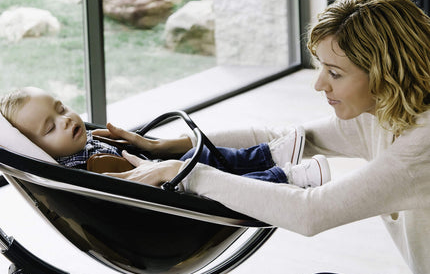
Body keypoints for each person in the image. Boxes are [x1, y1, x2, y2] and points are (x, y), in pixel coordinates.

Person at [79, 0, 430, 274]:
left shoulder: (422, 144)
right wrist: (164, 147)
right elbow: (281, 138)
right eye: (320, 68)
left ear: (386, 71)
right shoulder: (386, 112)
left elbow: (311, 212)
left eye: (335, 73)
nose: (319, 84)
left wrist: (190, 176)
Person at [0, 86, 331, 188]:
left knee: (204, 159)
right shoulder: (87, 167)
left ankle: (269, 157)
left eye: (61, 108)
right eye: (50, 127)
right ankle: (280, 172)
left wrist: (136, 145)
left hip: (165, 173)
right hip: (170, 196)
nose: (66, 119)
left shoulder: (88, 142)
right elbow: (131, 181)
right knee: (209, 173)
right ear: (36, 148)